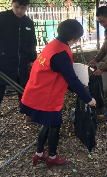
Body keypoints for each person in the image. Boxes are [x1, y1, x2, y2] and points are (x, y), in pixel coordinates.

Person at [19, 19, 96, 169]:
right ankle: (52, 157)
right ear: (74, 37)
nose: (76, 42)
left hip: (36, 91)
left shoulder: (52, 45)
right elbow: (72, 79)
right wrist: (88, 99)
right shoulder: (61, 52)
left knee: (46, 123)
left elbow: (62, 76)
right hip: (47, 96)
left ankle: (39, 153)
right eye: (77, 39)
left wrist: (77, 92)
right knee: (54, 125)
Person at [0, 0, 37, 144]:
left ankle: (27, 113)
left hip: (21, 65)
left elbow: (32, 43)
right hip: (1, 65)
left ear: (27, 7)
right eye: (17, 7)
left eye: (23, 8)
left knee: (24, 91)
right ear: (12, 4)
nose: (20, 11)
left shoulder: (28, 23)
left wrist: (33, 60)